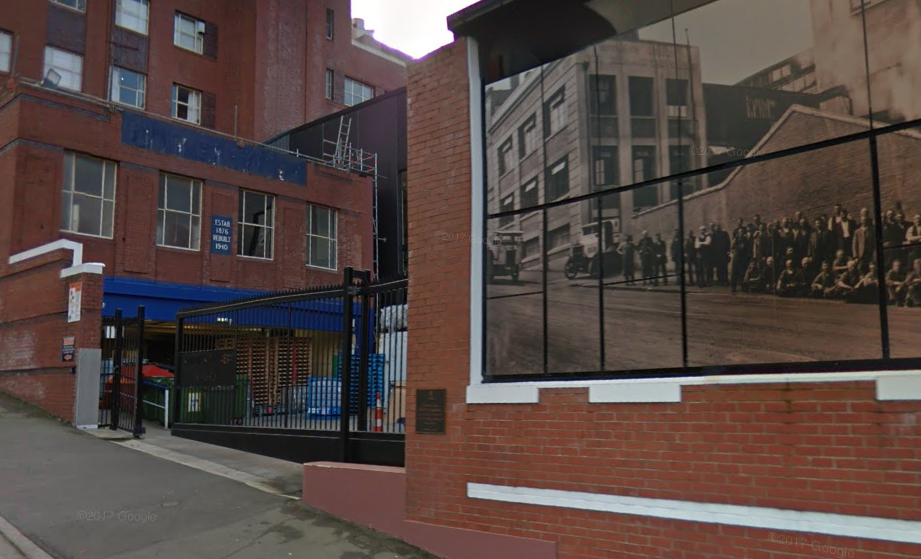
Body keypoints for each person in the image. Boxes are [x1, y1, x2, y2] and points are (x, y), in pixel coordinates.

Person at [730, 224, 750, 293]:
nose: (741, 233)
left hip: (743, 258)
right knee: (734, 273)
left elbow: (747, 249)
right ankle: (733, 287)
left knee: (742, 273)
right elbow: (732, 248)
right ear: (738, 233)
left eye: (742, 232)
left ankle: (742, 287)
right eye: (740, 232)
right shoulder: (735, 239)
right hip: (736, 258)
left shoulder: (745, 240)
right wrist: (733, 254)